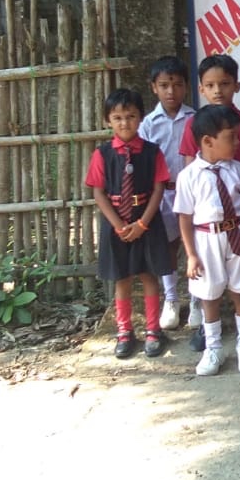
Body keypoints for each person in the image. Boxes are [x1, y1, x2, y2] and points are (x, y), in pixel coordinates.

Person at [179, 53, 240, 351]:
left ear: (236, 86)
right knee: (208, 280)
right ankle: (208, 331)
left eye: (225, 84)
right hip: (208, 221)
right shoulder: (194, 125)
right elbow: (190, 166)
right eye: (211, 85)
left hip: (239, 212)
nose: (218, 91)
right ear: (201, 88)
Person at [174, 104, 240, 377]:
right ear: (208, 141)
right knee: (209, 295)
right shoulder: (188, 176)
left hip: (237, 235)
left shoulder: (239, 170)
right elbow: (185, 218)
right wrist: (191, 255)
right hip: (206, 239)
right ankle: (213, 347)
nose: (237, 142)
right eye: (231, 137)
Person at [85, 88, 170, 360]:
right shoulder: (102, 154)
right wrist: (118, 225)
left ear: (141, 118)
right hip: (116, 224)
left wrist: (142, 224)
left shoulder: (152, 152)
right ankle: (124, 331)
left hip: (147, 221)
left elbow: (159, 188)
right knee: (122, 278)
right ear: (107, 120)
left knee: (148, 275)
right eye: (118, 117)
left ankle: (154, 330)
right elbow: (98, 192)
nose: (125, 123)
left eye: (131, 116)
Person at [139, 55, 194, 331]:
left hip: (193, 193)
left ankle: (197, 298)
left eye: (177, 85)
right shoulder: (148, 124)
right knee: (168, 246)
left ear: (186, 87)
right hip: (163, 194)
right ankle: (171, 297)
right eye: (164, 85)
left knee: (195, 244)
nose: (171, 91)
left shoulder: (194, 118)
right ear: (154, 88)